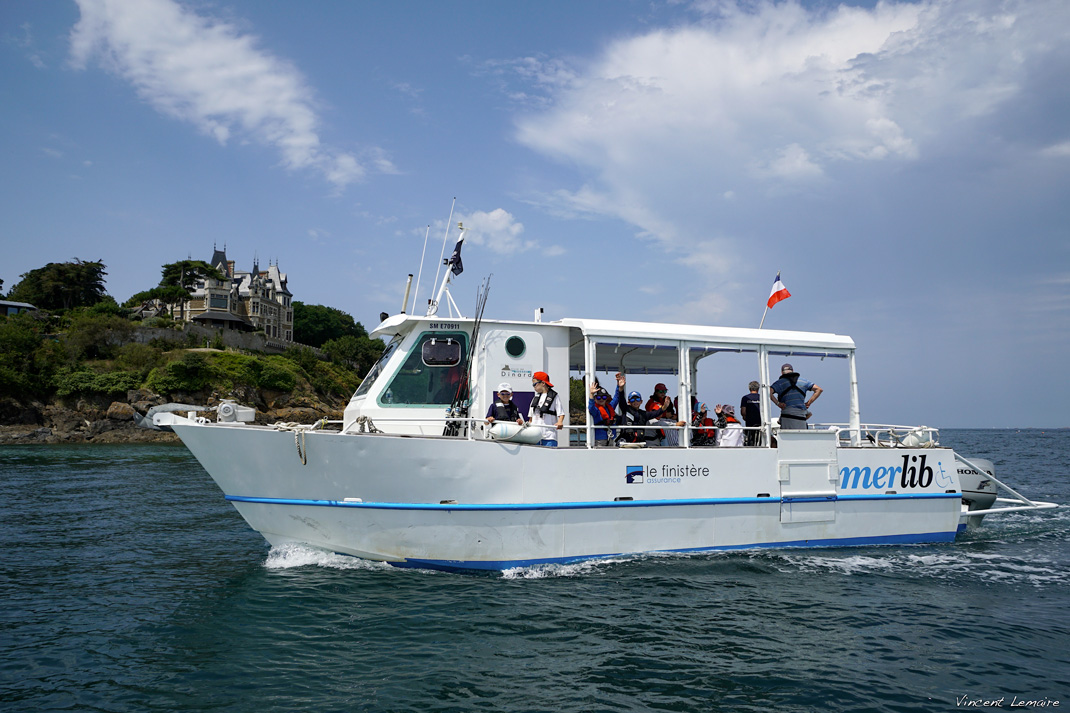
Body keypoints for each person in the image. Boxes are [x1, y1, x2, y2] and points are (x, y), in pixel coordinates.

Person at [615, 373, 682, 445]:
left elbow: (655, 413)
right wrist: (621, 388)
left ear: (641, 402)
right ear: (628, 402)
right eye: (632, 400)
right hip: (626, 443)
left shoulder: (644, 414)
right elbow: (621, 399)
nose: (635, 402)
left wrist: (664, 407)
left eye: (637, 399)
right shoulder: (625, 409)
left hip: (640, 443)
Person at [769, 363, 822, 430]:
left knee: (787, 439)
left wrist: (778, 403)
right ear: (792, 370)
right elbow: (819, 389)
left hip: (787, 416)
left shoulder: (780, 383)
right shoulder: (804, 381)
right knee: (801, 438)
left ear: (782, 372)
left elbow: (768, 392)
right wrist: (809, 403)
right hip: (801, 417)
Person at [529, 371, 564, 447]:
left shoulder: (555, 397)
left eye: (535, 384)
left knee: (550, 457)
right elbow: (531, 418)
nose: (534, 386)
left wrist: (560, 422)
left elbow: (561, 413)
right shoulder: (535, 398)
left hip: (549, 435)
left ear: (543, 383)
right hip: (535, 435)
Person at [587, 382, 619, 447]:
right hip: (599, 439)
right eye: (598, 397)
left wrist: (619, 386)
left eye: (604, 397)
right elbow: (591, 407)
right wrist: (591, 394)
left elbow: (616, 398)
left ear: (606, 398)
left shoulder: (610, 407)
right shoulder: (596, 410)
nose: (601, 399)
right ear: (595, 398)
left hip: (611, 438)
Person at [740, 381, 762, 446]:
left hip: (749, 422)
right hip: (761, 422)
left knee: (750, 439)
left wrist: (744, 417)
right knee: (759, 439)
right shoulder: (762, 397)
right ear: (758, 388)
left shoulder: (745, 398)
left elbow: (743, 411)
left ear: (749, 388)